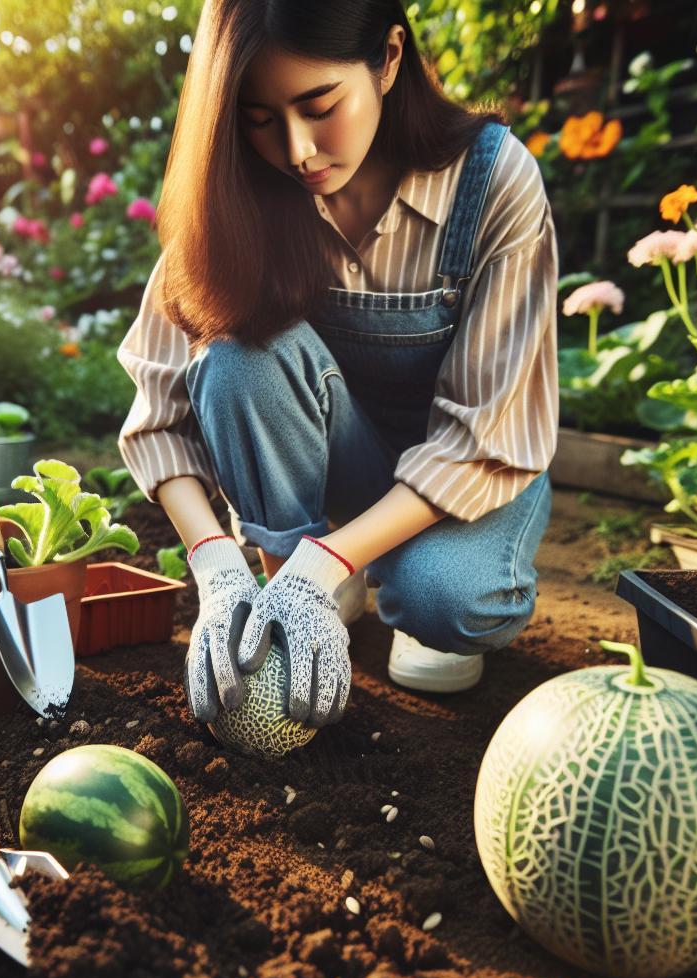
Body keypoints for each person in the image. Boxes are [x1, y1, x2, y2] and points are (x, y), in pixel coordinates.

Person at [115, 0, 558, 730]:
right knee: (236, 357)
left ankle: (347, 572)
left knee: (443, 599)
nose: (295, 150)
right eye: (259, 118)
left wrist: (327, 563)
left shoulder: (490, 181)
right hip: (341, 464)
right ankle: (299, 575)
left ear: (387, 59)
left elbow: (484, 437)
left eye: (319, 106)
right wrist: (216, 566)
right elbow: (160, 409)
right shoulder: (239, 188)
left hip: (468, 475)